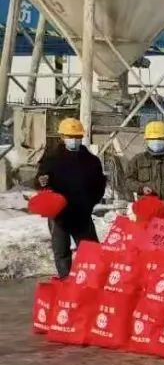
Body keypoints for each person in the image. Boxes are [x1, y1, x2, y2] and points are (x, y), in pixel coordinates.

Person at [35, 118, 106, 277]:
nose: (74, 139)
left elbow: (100, 185)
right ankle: (65, 282)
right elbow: (40, 180)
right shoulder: (51, 159)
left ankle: (90, 280)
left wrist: (89, 203)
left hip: (81, 213)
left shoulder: (91, 161)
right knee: (61, 252)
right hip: (58, 215)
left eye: (77, 136)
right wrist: (41, 181)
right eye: (70, 136)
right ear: (62, 137)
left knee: (91, 250)